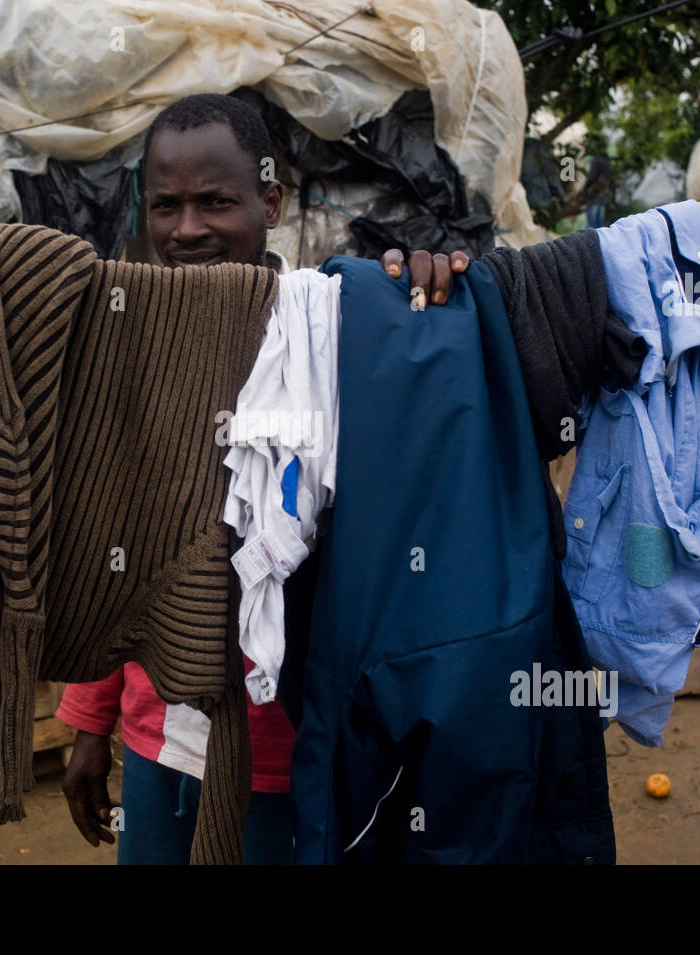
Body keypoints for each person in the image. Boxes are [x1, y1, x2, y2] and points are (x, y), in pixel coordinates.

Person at [55, 93, 466, 864]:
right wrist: (90, 721)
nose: (187, 229)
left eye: (216, 201)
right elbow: (118, 544)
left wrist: (424, 288)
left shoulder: (328, 337)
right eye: (165, 205)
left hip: (282, 748)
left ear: (269, 199)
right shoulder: (131, 348)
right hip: (155, 737)